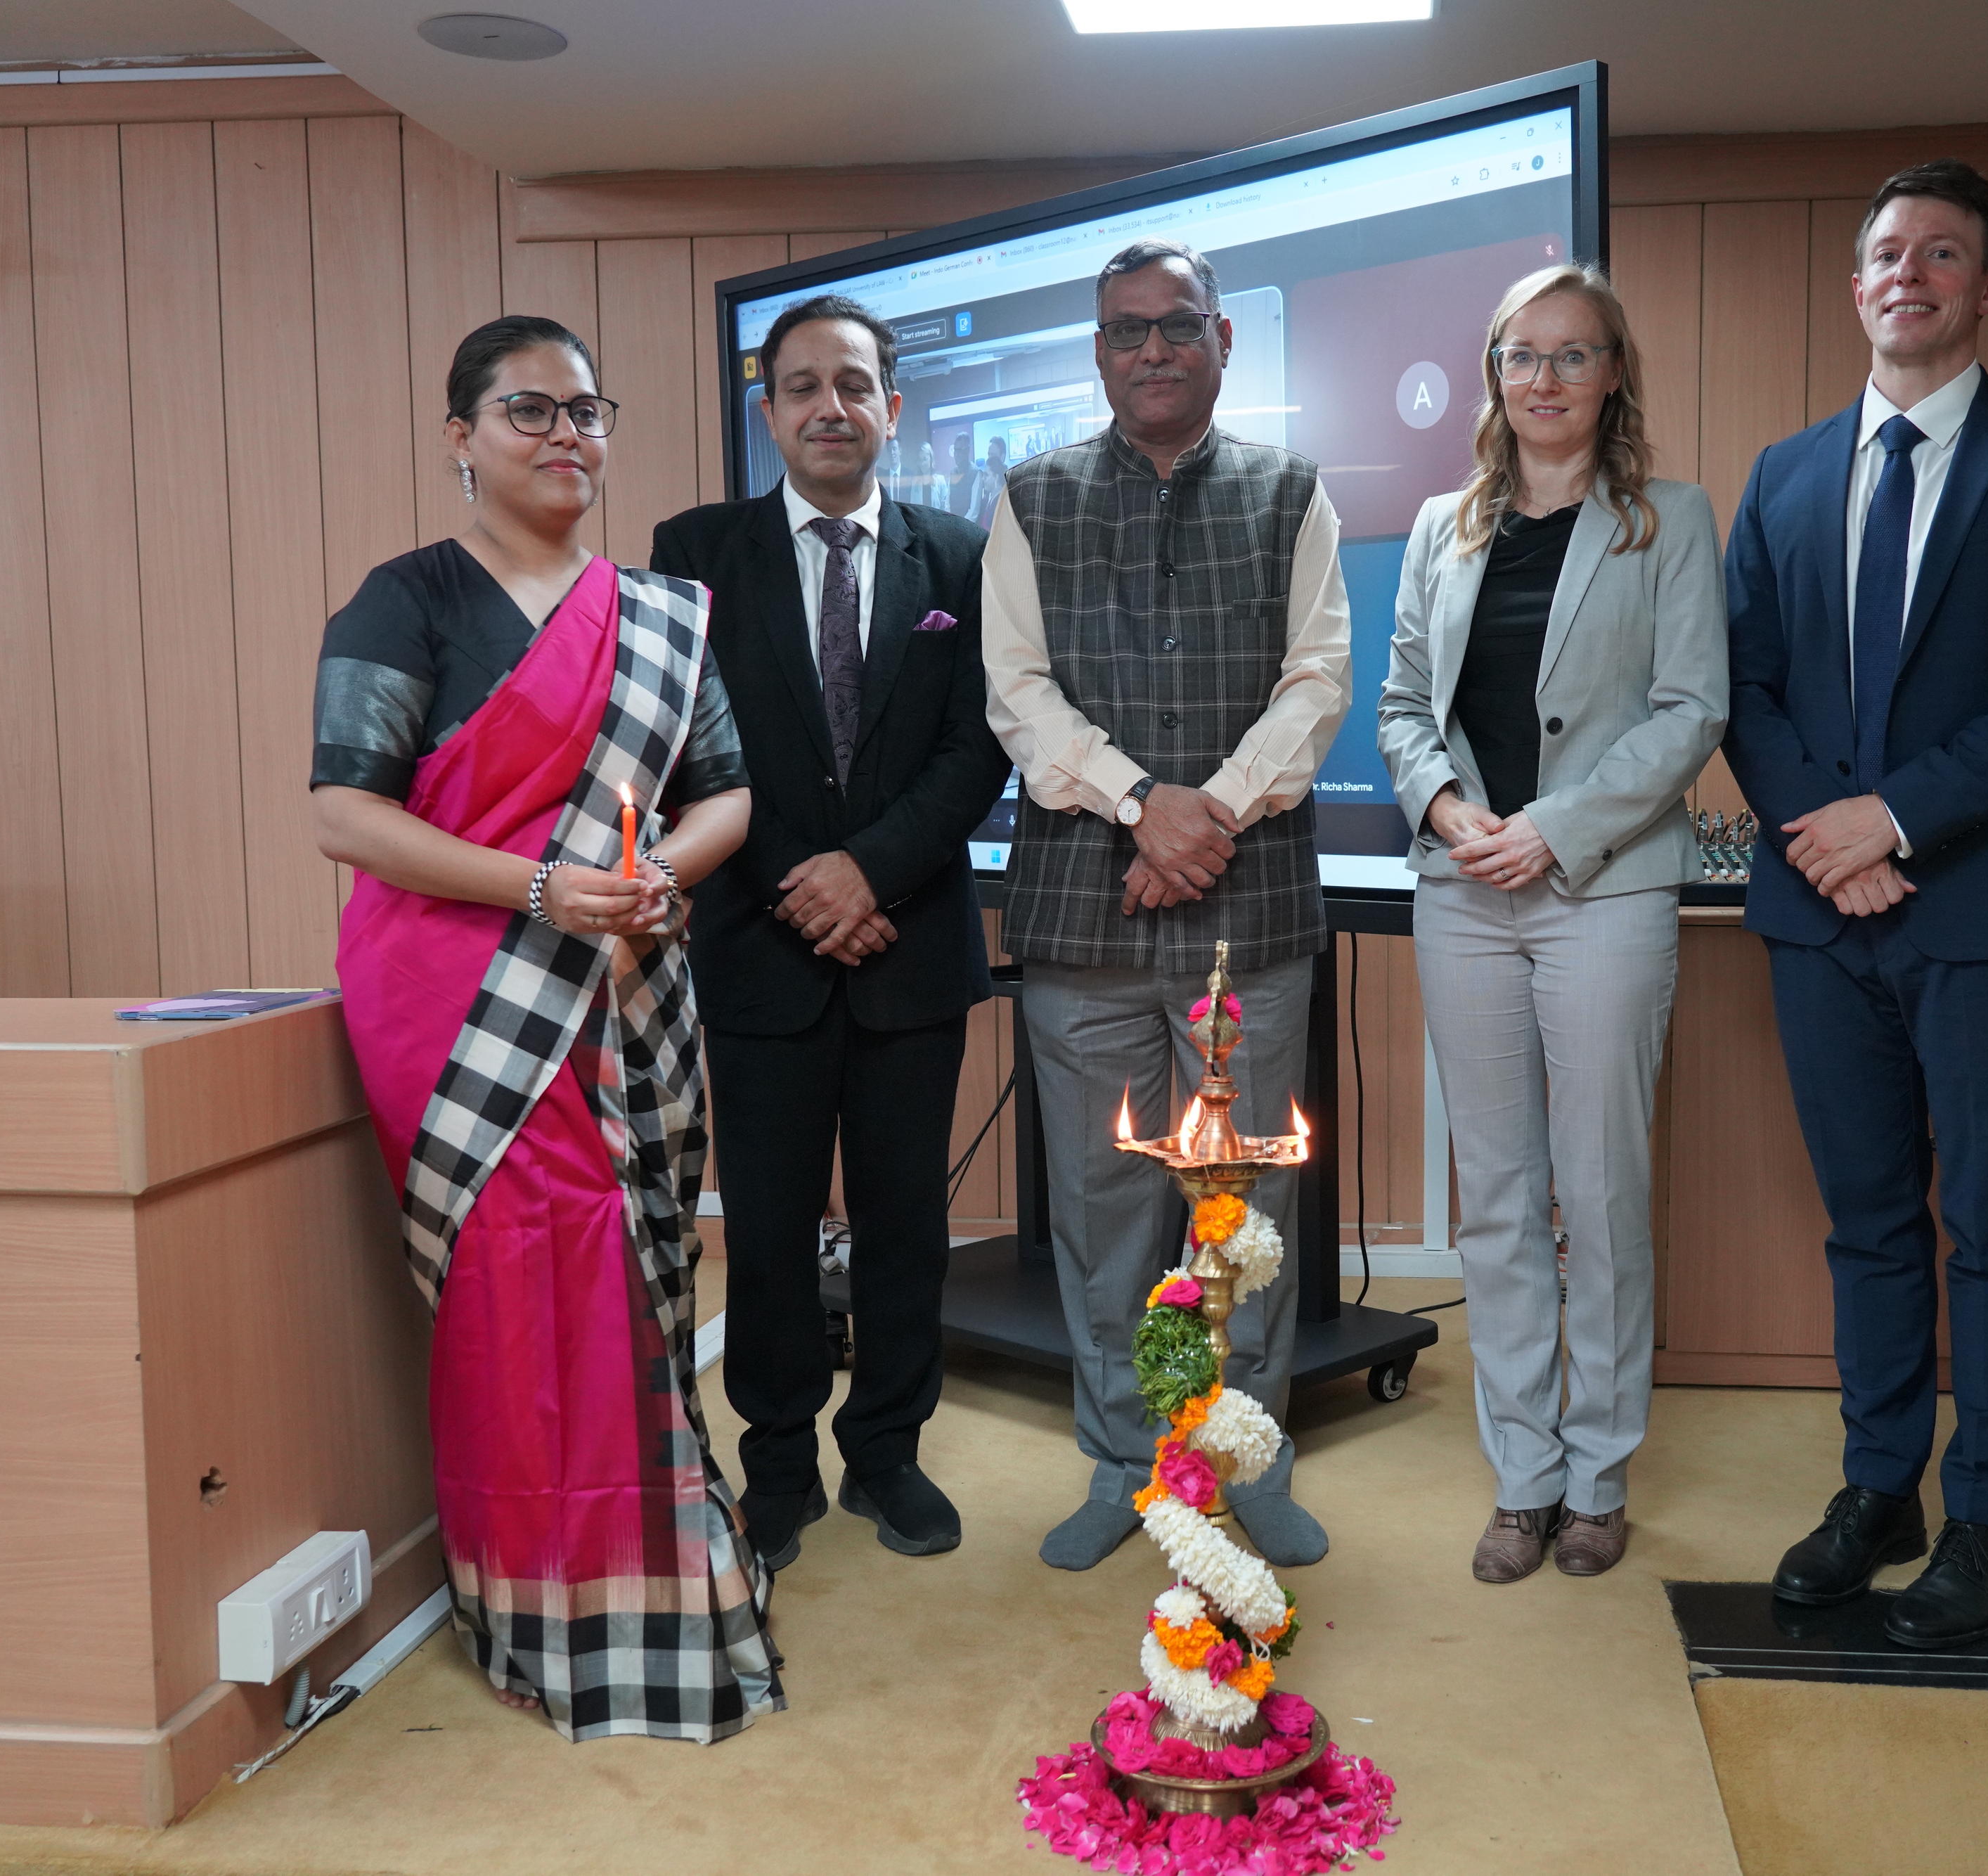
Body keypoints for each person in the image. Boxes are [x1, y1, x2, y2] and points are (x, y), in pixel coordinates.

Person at [311, 315, 780, 1740]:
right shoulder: (406, 604)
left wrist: (650, 881)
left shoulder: (660, 613)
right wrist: (539, 887)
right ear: (460, 436)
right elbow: (346, 809)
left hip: (623, 984)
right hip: (460, 1004)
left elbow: (726, 796)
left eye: (588, 411)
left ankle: (654, 1571)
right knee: (519, 1295)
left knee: (633, 1266)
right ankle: (541, 1605)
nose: (568, 434)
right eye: (531, 410)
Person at [1721, 160, 1988, 1648]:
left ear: (1987, 287)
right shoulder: (1780, 473)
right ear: (1855, 287)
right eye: (1886, 252)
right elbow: (1746, 687)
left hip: (1987, 911)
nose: (1908, 273)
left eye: (1942, 253)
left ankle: (1984, 1521)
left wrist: (1891, 819)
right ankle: (1876, 1487)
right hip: (1816, 921)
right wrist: (1826, 838)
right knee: (1868, 1226)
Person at [982, 237, 1350, 1572]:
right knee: (1103, 1211)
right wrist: (1148, 804)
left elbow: (1317, 681)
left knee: (1240, 1215)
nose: (1152, 349)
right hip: (1085, 913)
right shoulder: (1031, 496)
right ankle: (1124, 1461)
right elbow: (1019, 695)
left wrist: (1215, 815)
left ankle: (1244, 1460)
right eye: (1127, 329)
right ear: (1098, 350)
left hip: (1248, 912)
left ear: (1223, 340)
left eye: (1177, 326)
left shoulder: (1289, 491)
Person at [1376, 264, 1726, 1583]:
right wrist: (1453, 806)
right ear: (1493, 374)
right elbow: (1403, 704)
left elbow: (1692, 708)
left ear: (1614, 372)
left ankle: (1601, 1469)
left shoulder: (1667, 521)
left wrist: (1557, 825)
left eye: (1573, 355)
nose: (1544, 378)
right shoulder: (1441, 525)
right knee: (1500, 1196)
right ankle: (1523, 1476)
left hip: (1600, 887)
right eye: (1522, 356)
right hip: (1466, 888)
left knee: (1600, 1185)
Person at [649, 295, 1010, 1569]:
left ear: (893, 407)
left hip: (909, 944)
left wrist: (866, 874)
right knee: (769, 1218)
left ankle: (892, 1456)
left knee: (911, 1220)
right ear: (769, 413)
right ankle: (782, 1464)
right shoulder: (694, 551)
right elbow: (688, 744)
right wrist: (804, 880)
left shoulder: (962, 555)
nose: (829, 407)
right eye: (802, 386)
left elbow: (980, 749)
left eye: (853, 384)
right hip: (758, 939)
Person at [967, 435, 1012, 527]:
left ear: (1002, 457)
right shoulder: (983, 477)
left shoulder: (1010, 483)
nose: (989, 458)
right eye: (989, 454)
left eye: (993, 455)